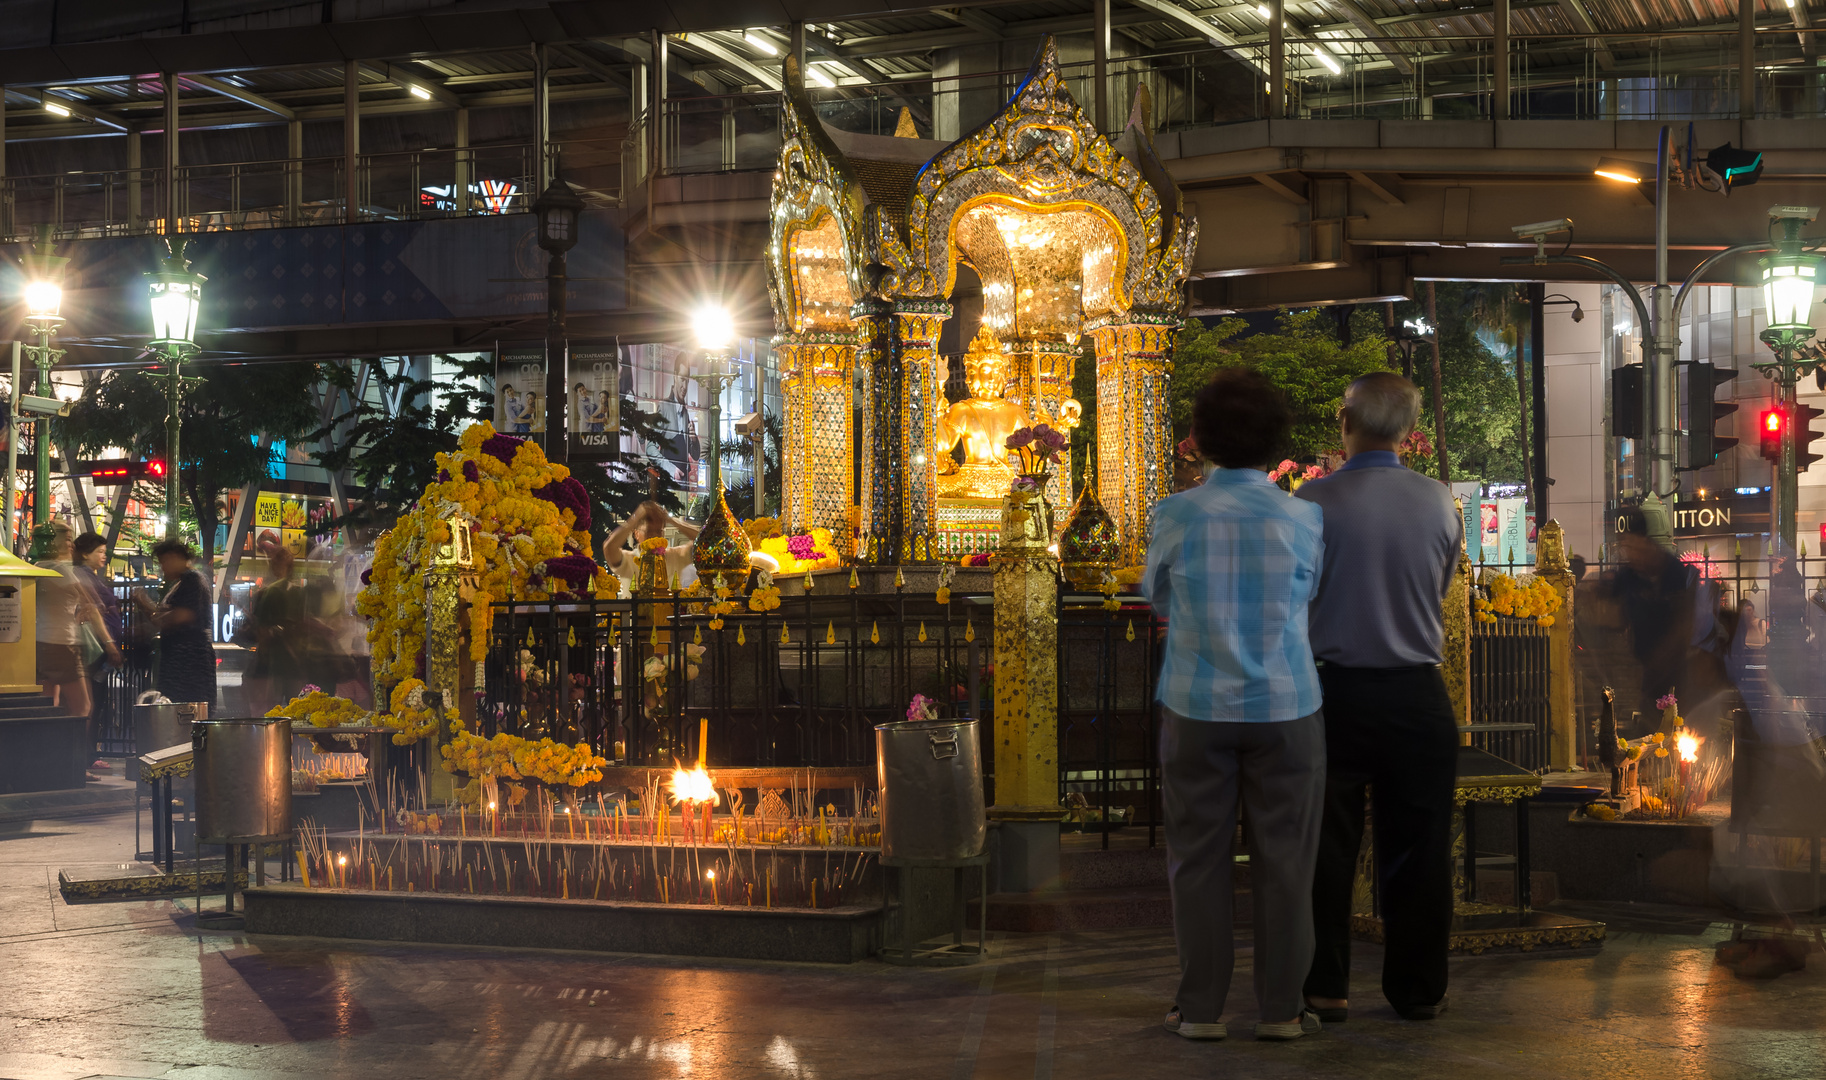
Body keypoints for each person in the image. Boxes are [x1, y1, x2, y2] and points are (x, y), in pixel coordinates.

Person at [1144, 368, 1327, 1043]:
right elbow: (1310, 595)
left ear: (1201, 440)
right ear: (1277, 444)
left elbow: (1157, 594)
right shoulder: (1303, 515)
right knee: (1286, 863)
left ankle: (1200, 1008)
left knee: (1197, 860)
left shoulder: (1176, 512)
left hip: (1196, 702)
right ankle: (1282, 1008)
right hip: (1288, 703)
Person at [1296, 372, 1462, 1023]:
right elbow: (1442, 586)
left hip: (1333, 691)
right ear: (1409, 433)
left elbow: (1302, 593)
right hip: (1419, 695)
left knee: (1325, 848)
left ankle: (1325, 984)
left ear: (1346, 422)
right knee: (1420, 848)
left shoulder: (1314, 501)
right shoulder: (1437, 502)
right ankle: (1417, 989)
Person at [36, 522, 123, 776]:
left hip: (40, 645)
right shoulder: (62, 570)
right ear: (52, 541)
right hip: (64, 645)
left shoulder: (38, 568)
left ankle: (46, 763)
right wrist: (109, 644)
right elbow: (92, 604)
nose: (70, 543)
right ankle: (72, 765)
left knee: (50, 707)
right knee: (82, 707)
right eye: (66, 538)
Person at [134, 539, 217, 707]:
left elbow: (178, 617)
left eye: (164, 561)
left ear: (175, 557)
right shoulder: (181, 582)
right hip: (180, 659)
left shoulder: (192, 579)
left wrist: (144, 603)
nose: (162, 567)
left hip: (188, 661)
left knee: (184, 710)